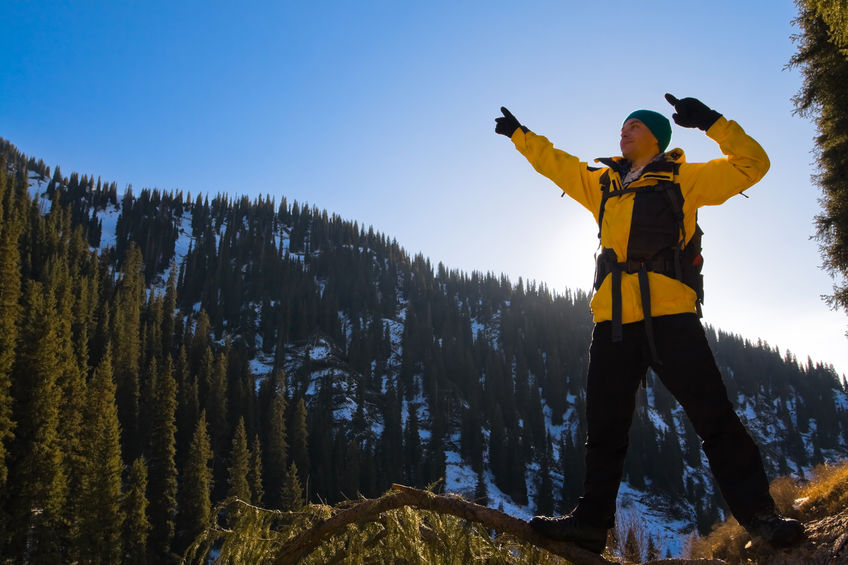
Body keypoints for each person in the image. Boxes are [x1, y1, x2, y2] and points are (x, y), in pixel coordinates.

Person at [494, 94, 805, 554]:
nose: (624, 131)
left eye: (635, 126)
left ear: (657, 137)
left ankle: (761, 518)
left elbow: (752, 164)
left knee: (714, 418)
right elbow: (555, 163)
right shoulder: (602, 183)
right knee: (604, 429)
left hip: (670, 316)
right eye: (622, 126)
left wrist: (714, 123)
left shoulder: (685, 177)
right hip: (614, 322)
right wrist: (521, 135)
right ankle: (589, 524)